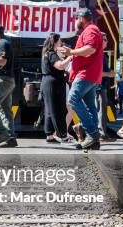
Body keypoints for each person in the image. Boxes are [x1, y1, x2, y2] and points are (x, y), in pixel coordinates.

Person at [66, 8, 104, 150]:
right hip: (90, 74)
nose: (75, 21)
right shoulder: (93, 30)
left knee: (73, 99)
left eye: (76, 18)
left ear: (81, 18)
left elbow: (90, 49)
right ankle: (94, 142)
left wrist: (71, 52)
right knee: (90, 106)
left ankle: (92, 133)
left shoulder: (90, 30)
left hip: (86, 73)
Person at [40, 33, 72, 143]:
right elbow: (60, 66)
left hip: (47, 82)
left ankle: (49, 134)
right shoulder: (52, 54)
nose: (61, 43)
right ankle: (63, 135)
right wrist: (70, 57)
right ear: (54, 42)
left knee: (49, 109)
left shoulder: (46, 53)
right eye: (59, 41)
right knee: (58, 110)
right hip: (54, 84)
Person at [97, 33, 116, 140]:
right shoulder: (98, 54)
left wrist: (109, 72)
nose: (106, 41)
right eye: (104, 39)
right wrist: (109, 74)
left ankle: (101, 132)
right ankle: (101, 134)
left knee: (101, 110)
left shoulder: (102, 54)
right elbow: (96, 72)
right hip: (98, 86)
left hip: (102, 85)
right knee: (100, 110)